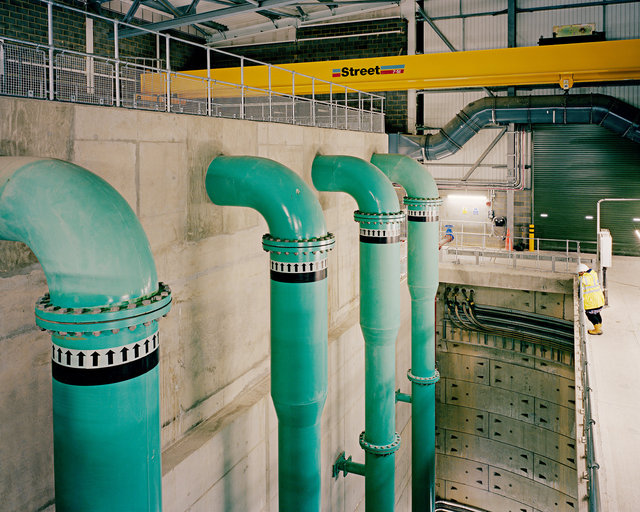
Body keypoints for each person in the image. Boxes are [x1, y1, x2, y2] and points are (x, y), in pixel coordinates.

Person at [577, 263, 605, 335]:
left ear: (582, 272)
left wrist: (580, 277)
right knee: (597, 313)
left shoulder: (586, 277)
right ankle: (598, 326)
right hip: (598, 299)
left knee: (591, 315)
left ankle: (597, 330)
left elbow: (582, 280)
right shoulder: (593, 273)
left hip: (591, 301)